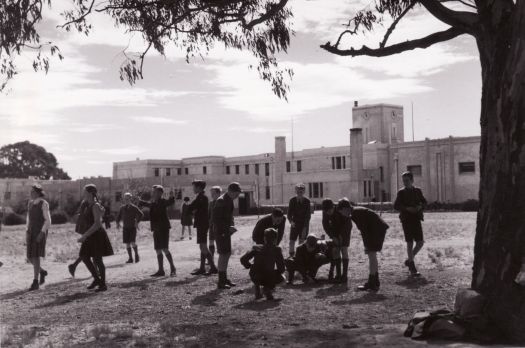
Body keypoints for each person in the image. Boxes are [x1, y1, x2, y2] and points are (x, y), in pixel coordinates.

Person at [76, 184, 114, 292]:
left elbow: (97, 224)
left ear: (90, 193)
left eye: (85, 192)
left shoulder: (95, 205)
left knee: (97, 260)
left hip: (96, 235)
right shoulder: (88, 204)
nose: (83, 193)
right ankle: (97, 279)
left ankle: (103, 284)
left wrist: (84, 235)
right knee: (84, 256)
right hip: (90, 234)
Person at [345, 201, 389, 292]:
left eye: (341, 211)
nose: (342, 214)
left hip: (376, 231)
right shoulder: (355, 211)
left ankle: (372, 282)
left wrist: (367, 246)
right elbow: (365, 229)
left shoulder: (355, 214)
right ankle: (375, 281)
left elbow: (364, 230)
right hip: (377, 230)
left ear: (345, 208)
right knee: (372, 256)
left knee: (372, 255)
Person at [394, 171, 427, 276]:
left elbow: (424, 202)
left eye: (407, 180)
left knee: (420, 242)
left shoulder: (418, 191)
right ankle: (412, 266)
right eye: (403, 181)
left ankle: (409, 260)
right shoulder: (401, 192)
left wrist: (420, 206)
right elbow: (396, 206)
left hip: (416, 218)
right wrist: (407, 208)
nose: (405, 182)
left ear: (412, 180)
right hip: (406, 219)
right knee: (409, 242)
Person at [139, 185, 177, 277]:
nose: (153, 193)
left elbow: (170, 202)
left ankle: (173, 268)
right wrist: (139, 201)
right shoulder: (153, 202)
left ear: (160, 193)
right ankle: (161, 270)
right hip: (156, 228)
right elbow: (147, 204)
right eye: (153, 192)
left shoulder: (163, 201)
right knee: (158, 249)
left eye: (155, 192)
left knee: (165, 248)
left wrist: (172, 195)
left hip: (163, 228)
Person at [241, 228, 285, 300]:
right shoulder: (277, 249)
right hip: (268, 276)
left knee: (259, 273)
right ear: (275, 239)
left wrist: (250, 266)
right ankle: (267, 288)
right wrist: (276, 272)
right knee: (282, 278)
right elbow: (282, 268)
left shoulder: (256, 247)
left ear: (264, 238)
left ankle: (258, 288)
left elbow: (243, 259)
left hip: (254, 275)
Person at [213, 182, 242, 289]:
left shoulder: (229, 200)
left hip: (225, 231)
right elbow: (216, 220)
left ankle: (224, 278)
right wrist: (227, 228)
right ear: (231, 191)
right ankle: (221, 281)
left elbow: (229, 217)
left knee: (227, 253)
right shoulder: (221, 200)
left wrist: (231, 225)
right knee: (223, 254)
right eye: (237, 193)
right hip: (220, 231)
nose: (238, 195)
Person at [187, 180, 218, 275]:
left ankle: (212, 267)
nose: (193, 189)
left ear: (199, 188)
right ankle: (202, 268)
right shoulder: (201, 197)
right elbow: (192, 208)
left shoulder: (201, 198)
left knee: (203, 246)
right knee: (202, 246)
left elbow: (190, 208)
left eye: (194, 187)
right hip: (202, 224)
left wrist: (193, 210)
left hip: (202, 224)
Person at [26, 184, 51, 291]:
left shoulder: (43, 203)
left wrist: (42, 233)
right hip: (31, 232)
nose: (30, 193)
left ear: (37, 193)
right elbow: (28, 219)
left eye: (32, 192)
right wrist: (27, 231)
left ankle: (35, 282)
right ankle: (42, 272)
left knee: (35, 256)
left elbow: (48, 221)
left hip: (39, 232)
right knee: (29, 257)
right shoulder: (30, 203)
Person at [116, 192, 144, 263]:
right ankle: (130, 258)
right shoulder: (122, 208)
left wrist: (137, 222)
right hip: (125, 228)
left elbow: (141, 214)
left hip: (132, 227)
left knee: (132, 242)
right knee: (127, 243)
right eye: (125, 199)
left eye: (128, 198)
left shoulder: (134, 207)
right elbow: (118, 217)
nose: (126, 200)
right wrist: (117, 223)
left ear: (130, 199)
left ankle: (136, 255)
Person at [287, 183, 311, 257]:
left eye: (301, 192)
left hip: (304, 224)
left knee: (301, 241)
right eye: (298, 192)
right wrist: (291, 222)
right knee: (291, 241)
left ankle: (299, 257)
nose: (299, 193)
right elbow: (289, 214)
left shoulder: (307, 201)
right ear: (295, 191)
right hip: (294, 224)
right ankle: (291, 257)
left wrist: (304, 228)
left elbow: (308, 216)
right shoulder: (292, 200)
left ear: (304, 192)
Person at [208, 186, 222, 262]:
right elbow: (208, 215)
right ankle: (211, 258)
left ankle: (221, 258)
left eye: (213, 193)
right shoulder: (211, 203)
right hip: (211, 226)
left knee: (219, 242)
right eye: (211, 193)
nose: (211, 195)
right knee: (211, 242)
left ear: (218, 193)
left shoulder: (222, 202)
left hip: (219, 227)